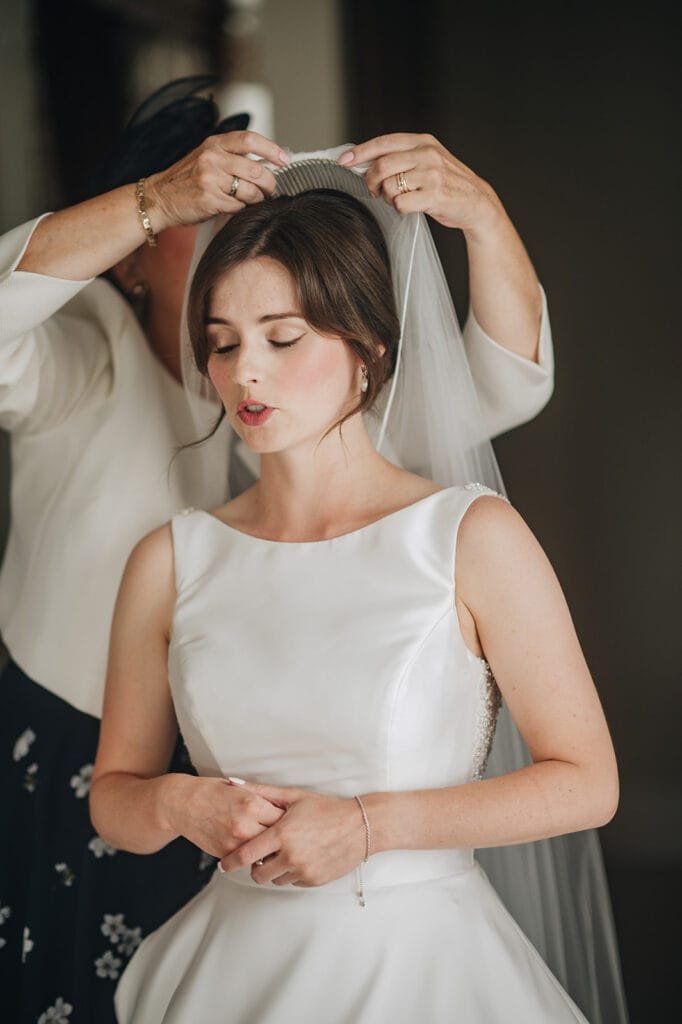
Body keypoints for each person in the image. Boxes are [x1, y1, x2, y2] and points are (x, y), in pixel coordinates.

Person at [0, 80, 556, 1023]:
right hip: (75, 759)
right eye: (209, 203)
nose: (234, 224)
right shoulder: (75, 350)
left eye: (248, 202)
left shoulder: (289, 396)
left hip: (261, 789)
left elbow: (495, 393)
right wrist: (156, 200)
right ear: (133, 259)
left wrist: (483, 215)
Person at [90, 182, 618, 1023]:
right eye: (222, 346)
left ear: (367, 346)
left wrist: (370, 826)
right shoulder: (171, 559)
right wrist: (177, 802)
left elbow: (586, 783)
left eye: (282, 337)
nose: (244, 372)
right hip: (236, 967)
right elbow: (115, 797)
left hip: (422, 968)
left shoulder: (469, 537)